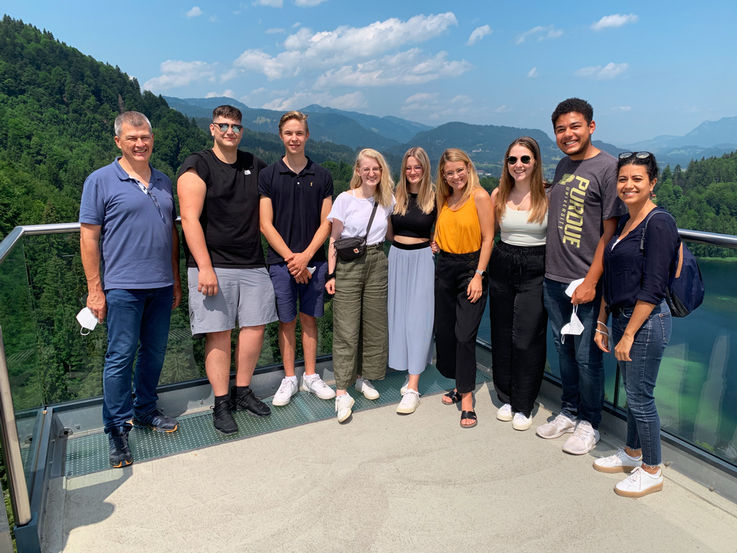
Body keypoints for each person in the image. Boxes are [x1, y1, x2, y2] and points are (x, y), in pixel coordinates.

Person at [79, 111, 182, 468]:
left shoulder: (164, 181)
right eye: (133, 138)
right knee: (120, 357)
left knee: (154, 353)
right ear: (118, 141)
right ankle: (116, 428)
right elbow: (89, 237)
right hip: (122, 286)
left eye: (145, 138)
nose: (140, 144)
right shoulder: (101, 180)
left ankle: (145, 411)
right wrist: (96, 289)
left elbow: (171, 233)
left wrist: (176, 278)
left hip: (161, 285)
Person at [178, 105, 277, 435]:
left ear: (242, 131)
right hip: (213, 265)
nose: (230, 131)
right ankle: (221, 403)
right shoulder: (198, 165)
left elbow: (280, 190)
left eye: (235, 126)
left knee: (254, 328)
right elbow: (189, 218)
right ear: (212, 129)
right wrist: (204, 267)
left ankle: (243, 391)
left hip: (252, 262)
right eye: (224, 126)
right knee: (218, 334)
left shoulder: (254, 164)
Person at [536, 98, 624, 453]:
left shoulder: (608, 167)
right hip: (554, 277)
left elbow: (610, 232)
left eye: (575, 126)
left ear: (591, 126)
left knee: (588, 357)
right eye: (560, 129)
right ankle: (569, 412)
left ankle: (591, 422)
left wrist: (591, 282)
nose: (567, 134)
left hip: (585, 282)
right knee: (564, 350)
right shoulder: (562, 166)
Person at [593, 152, 678, 497]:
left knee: (641, 397)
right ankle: (631, 453)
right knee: (633, 392)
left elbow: (654, 285)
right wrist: (601, 321)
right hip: (622, 315)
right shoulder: (627, 221)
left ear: (652, 183)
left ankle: (652, 469)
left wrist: (627, 334)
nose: (628, 185)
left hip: (645, 321)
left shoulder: (659, 222)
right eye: (623, 179)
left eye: (637, 179)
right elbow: (612, 276)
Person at [259, 111, 336, 406]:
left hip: (313, 261)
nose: (294, 138)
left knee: (310, 320)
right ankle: (290, 377)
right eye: (289, 133)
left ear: (307, 136)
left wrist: (305, 258)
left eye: (299, 133)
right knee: (287, 321)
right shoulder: (268, 175)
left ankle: (311, 375)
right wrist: (293, 259)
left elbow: (327, 222)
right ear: (281, 136)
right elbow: (265, 224)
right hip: (282, 262)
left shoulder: (323, 175)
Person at [325, 149, 395, 422]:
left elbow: (391, 234)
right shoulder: (345, 199)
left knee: (374, 324)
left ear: (382, 171)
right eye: (366, 169)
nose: (371, 173)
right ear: (358, 171)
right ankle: (342, 388)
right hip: (349, 264)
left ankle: (364, 377)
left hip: (378, 260)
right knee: (346, 326)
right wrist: (331, 275)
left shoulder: (386, 200)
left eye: (376, 168)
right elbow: (334, 238)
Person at [489, 137, 548, 431]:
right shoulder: (500, 194)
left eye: (524, 159)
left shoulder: (549, 196)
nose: (518, 165)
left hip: (537, 265)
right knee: (501, 333)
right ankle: (507, 397)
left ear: (535, 161)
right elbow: (486, 234)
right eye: (512, 160)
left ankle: (524, 403)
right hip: (503, 260)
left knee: (527, 337)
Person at [434, 148, 494, 428]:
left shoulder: (479, 196)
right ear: (443, 176)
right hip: (444, 267)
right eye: (450, 172)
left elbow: (488, 237)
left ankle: (467, 400)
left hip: (471, 269)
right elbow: (443, 230)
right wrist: (437, 241)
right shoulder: (445, 199)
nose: (455, 176)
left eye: (460, 170)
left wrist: (479, 274)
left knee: (465, 334)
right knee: (446, 332)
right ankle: (459, 385)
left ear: (469, 168)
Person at [387, 147, 436, 415]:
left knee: (419, 320)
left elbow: (440, 230)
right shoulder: (395, 196)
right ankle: (406, 368)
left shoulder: (435, 197)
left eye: (417, 167)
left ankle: (414, 386)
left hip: (422, 260)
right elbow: (388, 232)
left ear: (425, 168)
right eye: (408, 167)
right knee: (398, 317)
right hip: (397, 258)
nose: (413, 172)